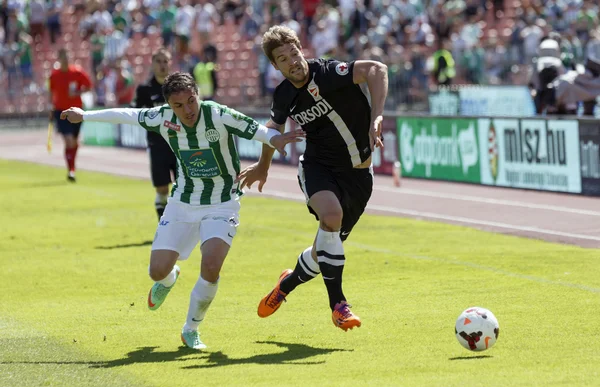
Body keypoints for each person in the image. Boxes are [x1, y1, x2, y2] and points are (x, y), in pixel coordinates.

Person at [61, 72, 304, 349]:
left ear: (197, 95)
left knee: (211, 266)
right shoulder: (161, 118)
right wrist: (86, 116)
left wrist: (275, 140)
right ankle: (169, 278)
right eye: (179, 105)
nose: (188, 110)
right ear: (169, 106)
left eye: (191, 101)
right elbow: (127, 114)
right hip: (182, 202)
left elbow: (257, 129)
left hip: (222, 202)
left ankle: (191, 329)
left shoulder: (218, 114)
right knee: (157, 271)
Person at [236, 25, 388, 331]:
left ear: (301, 49)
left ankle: (285, 285)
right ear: (275, 66)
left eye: (293, 52)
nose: (292, 60)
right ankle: (339, 306)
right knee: (331, 216)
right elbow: (273, 129)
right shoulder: (284, 95)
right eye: (282, 58)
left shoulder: (329, 72)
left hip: (359, 176)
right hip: (318, 167)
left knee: (324, 252)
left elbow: (376, 69)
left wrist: (377, 116)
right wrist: (263, 165)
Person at [134, 48, 177, 219]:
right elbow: (136, 113)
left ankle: (180, 223)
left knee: (183, 186)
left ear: (170, 63)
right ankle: (163, 222)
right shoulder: (144, 89)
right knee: (162, 188)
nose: (162, 65)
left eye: (165, 61)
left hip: (179, 144)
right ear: (152, 64)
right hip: (157, 144)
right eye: (158, 61)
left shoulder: (177, 87)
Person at [48, 49, 93, 182]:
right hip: (61, 111)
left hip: (76, 111)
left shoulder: (77, 72)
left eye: (67, 58)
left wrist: (78, 92)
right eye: (63, 59)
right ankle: (71, 170)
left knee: (74, 141)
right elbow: (51, 93)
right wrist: (50, 108)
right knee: (68, 140)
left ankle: (72, 164)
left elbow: (89, 86)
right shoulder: (54, 75)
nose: (65, 61)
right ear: (59, 60)